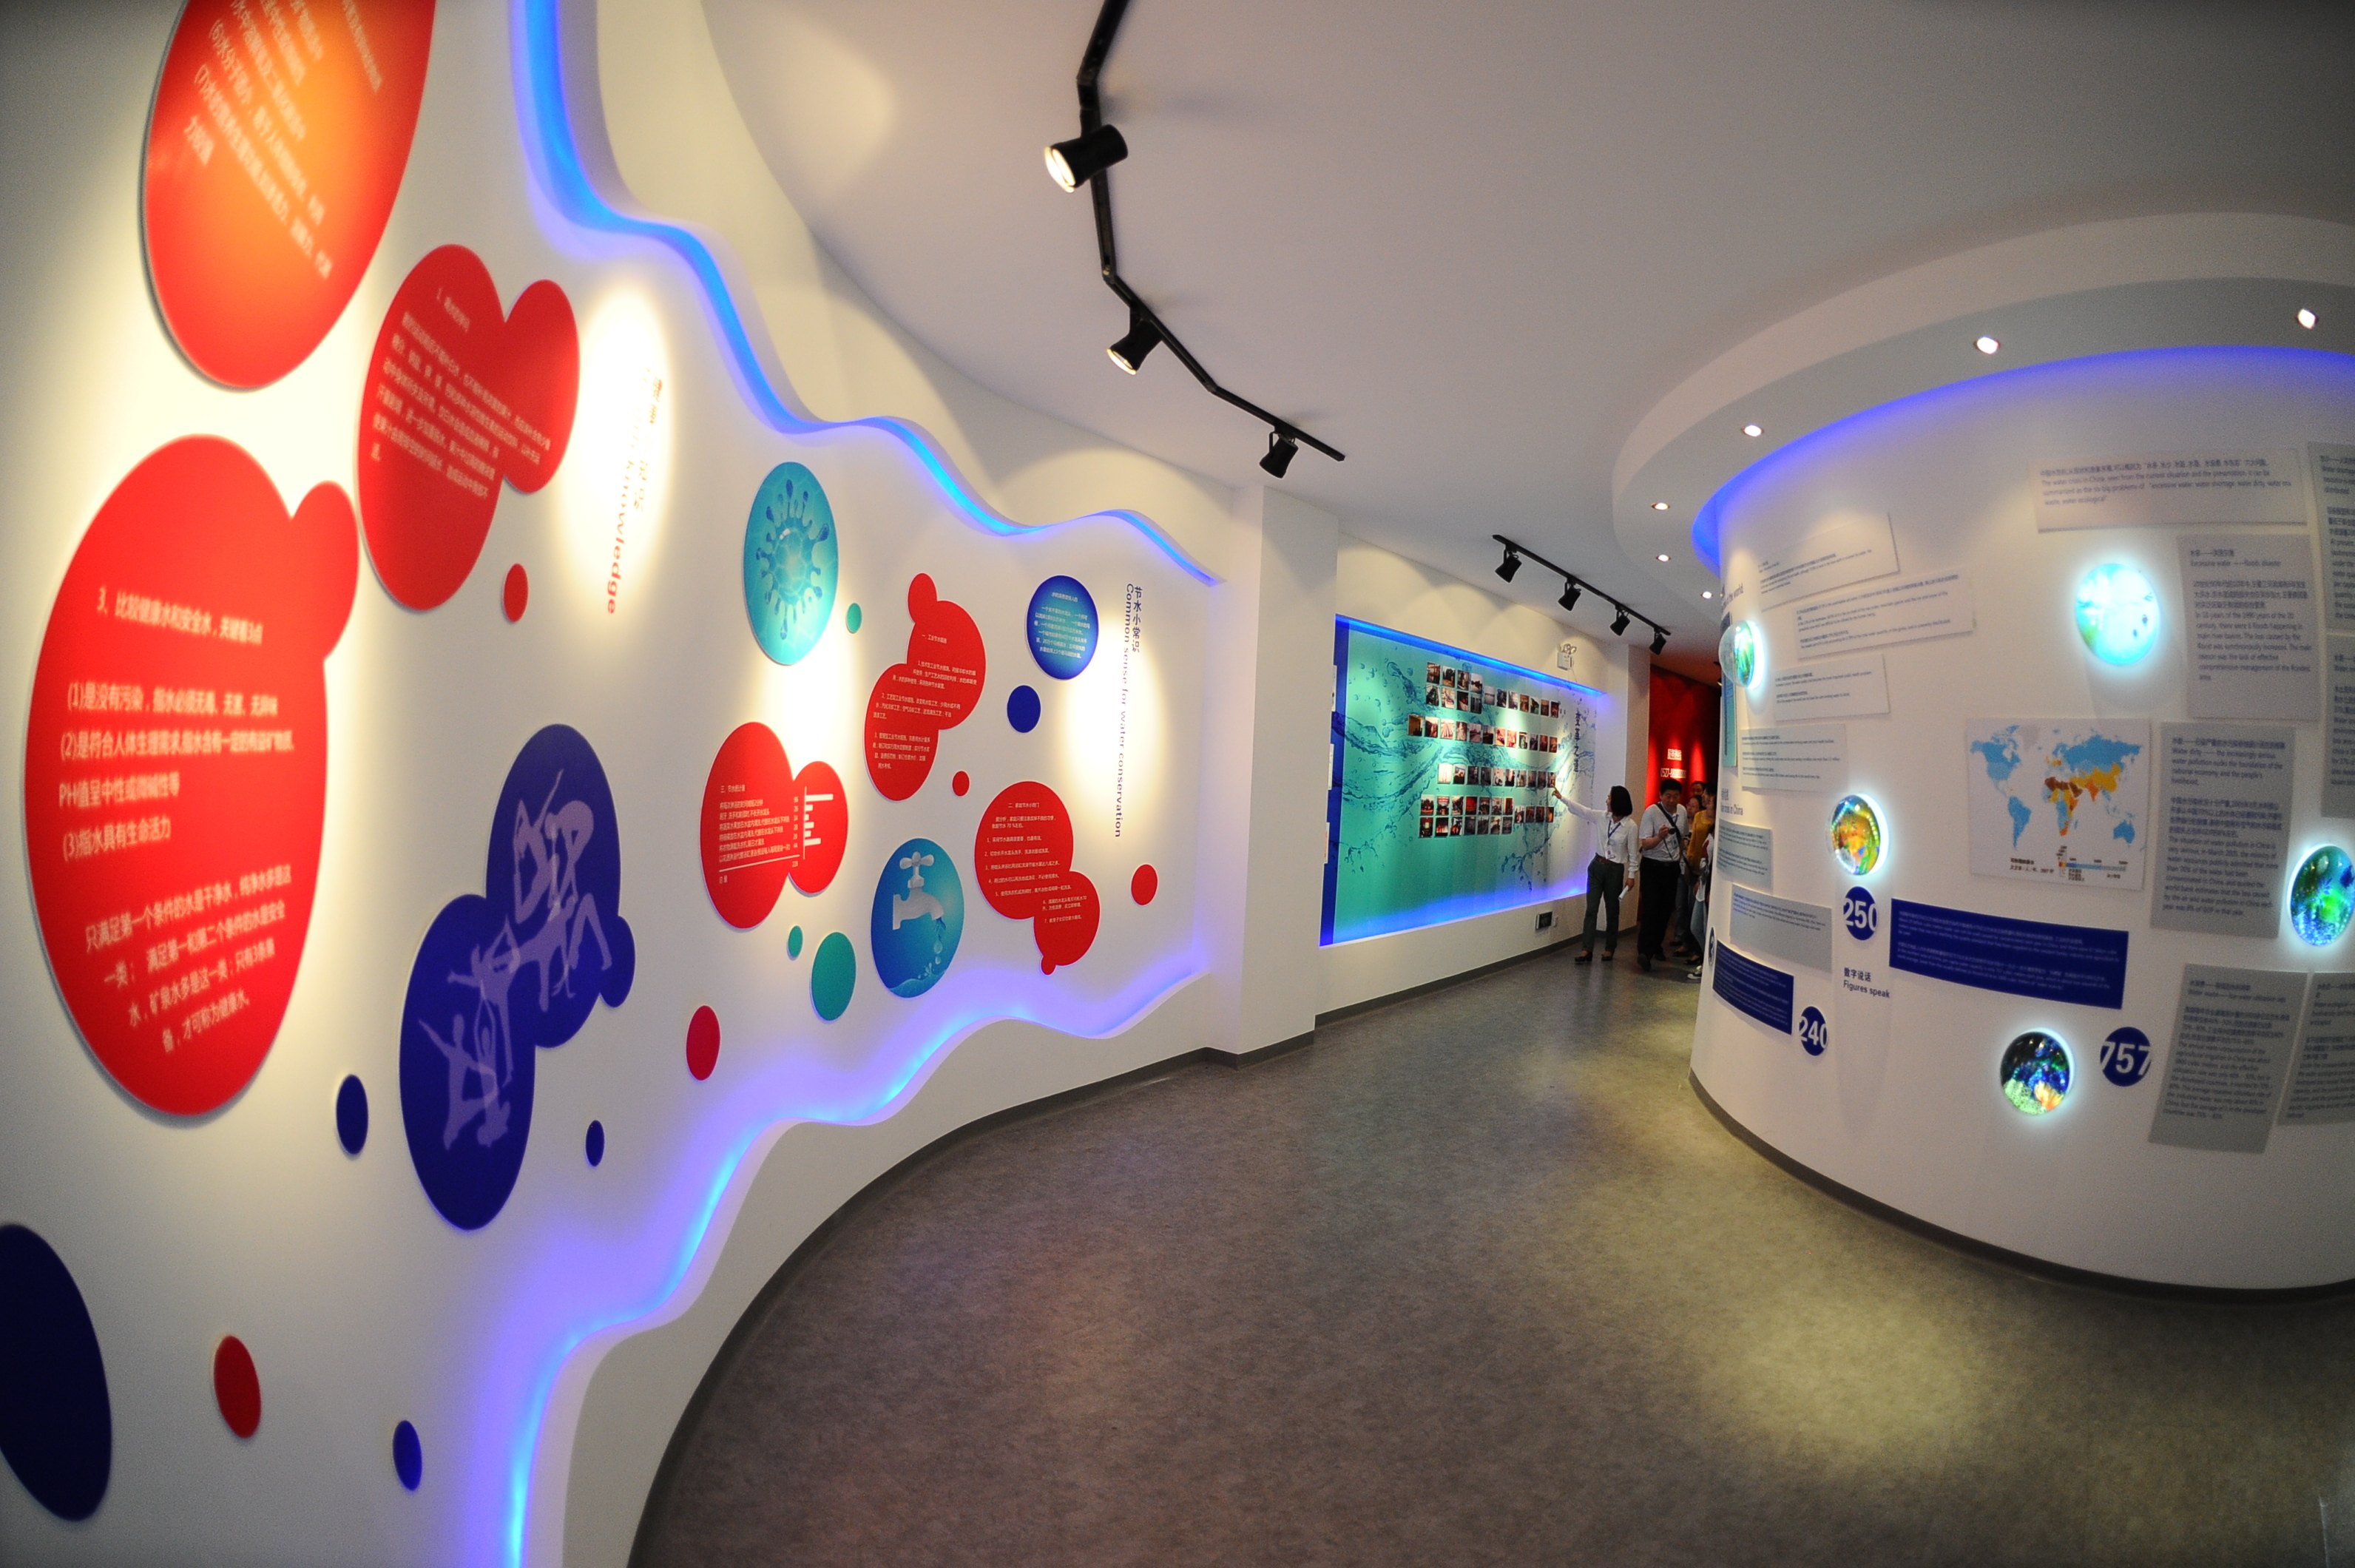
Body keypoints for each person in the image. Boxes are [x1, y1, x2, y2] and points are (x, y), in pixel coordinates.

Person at [1555, 780, 1636, 962]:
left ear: (1618, 802)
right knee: (1591, 909)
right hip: (1596, 867)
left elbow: (1633, 854)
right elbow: (1583, 811)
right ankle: (1587, 950)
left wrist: (1631, 876)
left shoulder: (1630, 826)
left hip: (1615, 870)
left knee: (1612, 910)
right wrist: (1562, 799)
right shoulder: (1602, 817)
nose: (1607, 801)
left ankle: (1610, 948)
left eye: (1609, 798)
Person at [1635, 777, 1687, 972]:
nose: (1671, 800)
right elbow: (1645, 843)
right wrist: (1659, 837)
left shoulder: (1682, 812)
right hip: (1652, 866)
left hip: (1671, 868)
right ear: (1660, 795)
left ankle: (1657, 946)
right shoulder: (1651, 812)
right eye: (1668, 796)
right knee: (1650, 909)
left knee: (1665, 911)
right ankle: (1644, 951)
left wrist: (1678, 856)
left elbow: (1683, 837)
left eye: (1675, 796)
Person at [1674, 781, 1714, 960]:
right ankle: (1688, 943)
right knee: (1686, 908)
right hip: (1694, 868)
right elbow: (1694, 844)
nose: (1703, 796)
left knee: (1699, 914)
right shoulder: (1699, 817)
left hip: (1707, 873)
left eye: (1706, 794)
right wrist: (1689, 864)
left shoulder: (1717, 819)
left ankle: (1701, 953)